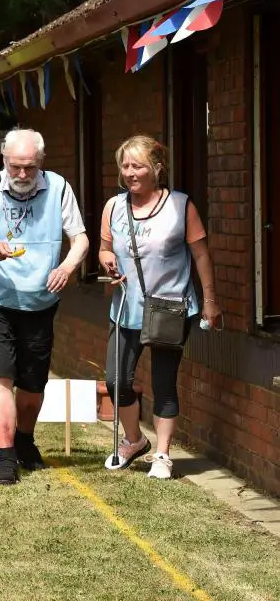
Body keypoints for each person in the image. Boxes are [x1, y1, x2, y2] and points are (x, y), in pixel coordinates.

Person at [0, 128, 88, 486]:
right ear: (4, 160)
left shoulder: (59, 187)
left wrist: (66, 267)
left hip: (41, 299)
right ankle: (4, 459)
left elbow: (80, 238)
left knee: (33, 382)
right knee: (1, 375)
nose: (22, 175)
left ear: (40, 163)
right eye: (15, 167)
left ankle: (25, 441)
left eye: (30, 167)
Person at [99, 135, 221, 479]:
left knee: (164, 381)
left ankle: (163, 455)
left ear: (157, 168)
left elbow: (201, 255)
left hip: (170, 307)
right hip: (126, 308)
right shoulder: (113, 207)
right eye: (125, 166)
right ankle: (135, 441)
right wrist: (108, 261)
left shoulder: (181, 205)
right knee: (115, 380)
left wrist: (210, 301)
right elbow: (105, 249)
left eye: (137, 165)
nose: (129, 173)